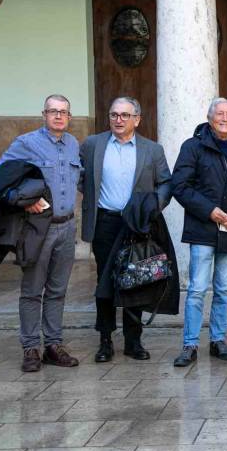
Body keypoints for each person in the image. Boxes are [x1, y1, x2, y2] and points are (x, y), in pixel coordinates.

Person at [0, 94, 81, 372]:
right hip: (38, 229)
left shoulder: (73, 144)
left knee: (57, 290)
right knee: (32, 291)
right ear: (44, 114)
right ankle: (30, 348)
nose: (58, 116)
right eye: (53, 111)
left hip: (67, 227)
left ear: (69, 116)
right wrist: (23, 200)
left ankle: (53, 345)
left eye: (63, 112)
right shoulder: (27, 143)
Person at [79, 96, 172, 362]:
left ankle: (134, 341)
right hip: (105, 223)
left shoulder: (152, 150)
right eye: (114, 115)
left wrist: (153, 206)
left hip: (137, 225)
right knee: (105, 281)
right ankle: (105, 340)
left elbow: (166, 183)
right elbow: (83, 179)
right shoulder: (92, 145)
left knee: (136, 280)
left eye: (125, 115)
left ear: (137, 119)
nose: (118, 120)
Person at [171, 98, 227, 366]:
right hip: (202, 229)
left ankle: (218, 340)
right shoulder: (193, 146)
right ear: (209, 118)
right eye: (219, 113)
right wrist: (210, 211)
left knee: (223, 290)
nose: (224, 117)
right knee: (197, 289)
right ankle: (190, 344)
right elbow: (180, 185)